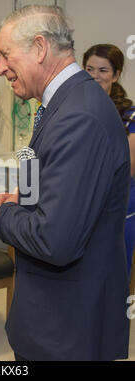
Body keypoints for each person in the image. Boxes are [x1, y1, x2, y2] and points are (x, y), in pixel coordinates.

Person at [0, 5, 130, 361]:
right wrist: (25, 194)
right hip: (57, 314)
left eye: (5, 55)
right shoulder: (67, 102)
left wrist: (3, 213)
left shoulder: (78, 115)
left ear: (39, 48)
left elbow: (55, 241)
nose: (0, 68)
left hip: (66, 326)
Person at [83, 44, 135, 279]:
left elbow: (129, 168)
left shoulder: (129, 116)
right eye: (89, 69)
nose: (95, 76)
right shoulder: (77, 110)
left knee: (111, 278)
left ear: (115, 75)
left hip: (119, 203)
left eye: (103, 70)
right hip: (82, 200)